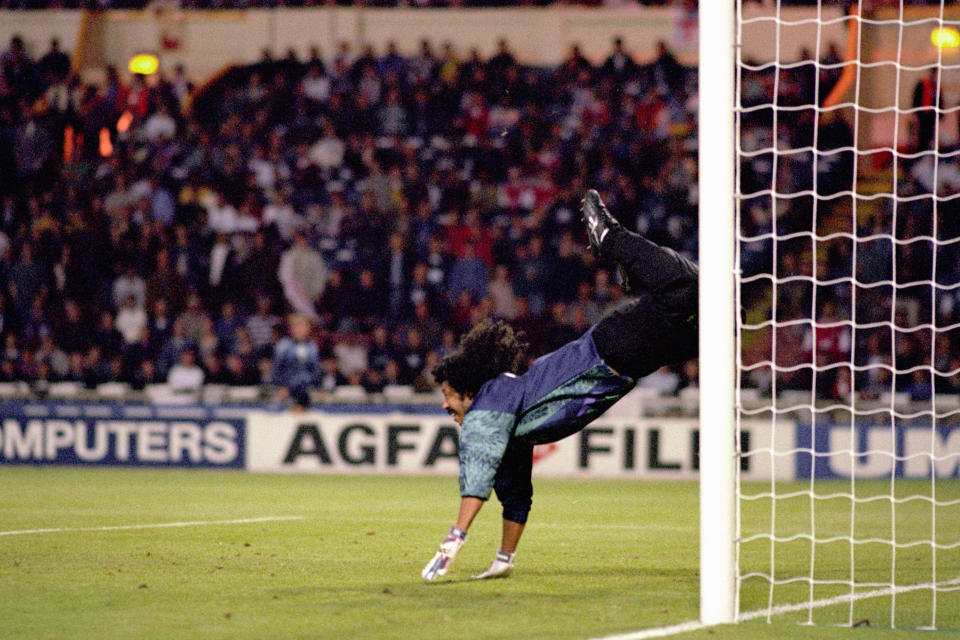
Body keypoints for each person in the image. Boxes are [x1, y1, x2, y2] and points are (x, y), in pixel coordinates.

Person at [421, 190, 698, 581]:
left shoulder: (490, 404)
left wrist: (454, 539)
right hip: (623, 365)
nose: (446, 408)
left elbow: (477, 476)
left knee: (692, 290)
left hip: (608, 352)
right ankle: (634, 273)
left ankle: (610, 237)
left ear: (468, 389)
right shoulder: (509, 428)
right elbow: (515, 496)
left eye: (448, 397)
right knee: (706, 309)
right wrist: (503, 559)